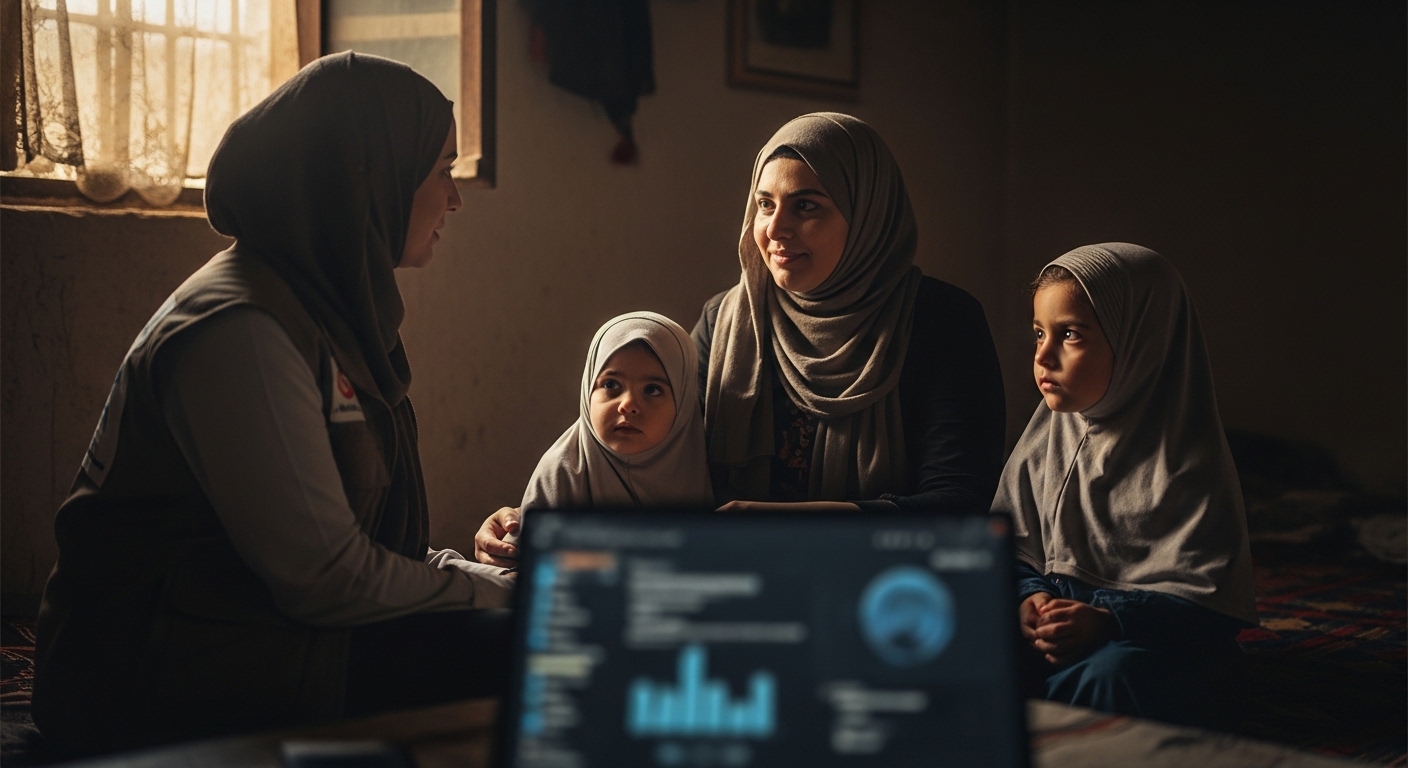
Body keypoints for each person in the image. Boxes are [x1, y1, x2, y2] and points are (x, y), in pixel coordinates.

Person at [32, 52, 511, 755]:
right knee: (533, 654)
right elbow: (327, 579)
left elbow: (362, 549)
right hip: (147, 674)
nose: (456, 198)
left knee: (534, 632)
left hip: (265, 640)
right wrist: (497, 595)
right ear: (371, 175)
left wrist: (494, 580)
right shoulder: (239, 329)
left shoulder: (320, 309)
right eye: (442, 169)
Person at [994, 243, 1257, 728]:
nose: (1043, 356)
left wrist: (1107, 620)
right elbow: (1009, 549)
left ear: (1140, 342)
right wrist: (1030, 599)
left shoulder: (1185, 462)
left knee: (1118, 676)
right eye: (1038, 334)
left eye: (1069, 335)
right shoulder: (1043, 443)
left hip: (1147, 640)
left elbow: (1213, 610)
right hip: (1053, 631)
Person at [520, 312, 713, 511]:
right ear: (588, 391)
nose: (628, 405)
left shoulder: (715, 469)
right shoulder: (562, 475)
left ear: (683, 405)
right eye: (611, 384)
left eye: (652, 389)